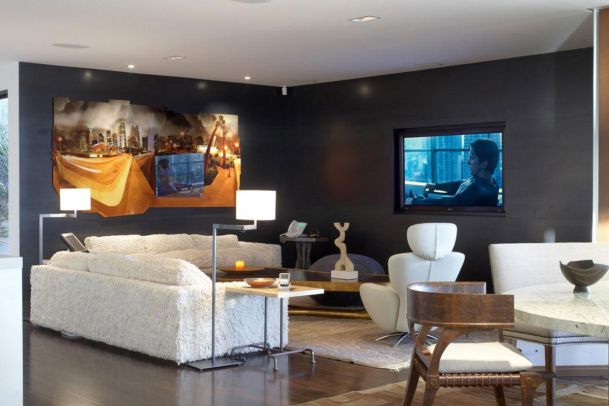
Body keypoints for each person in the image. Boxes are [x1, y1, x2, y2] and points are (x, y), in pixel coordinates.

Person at [411, 138, 500, 206]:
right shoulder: (489, 180)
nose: (468, 162)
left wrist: (414, 202)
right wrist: (436, 186)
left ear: (483, 164)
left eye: (471, 157)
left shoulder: (477, 190)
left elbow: (449, 203)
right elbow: (463, 183)